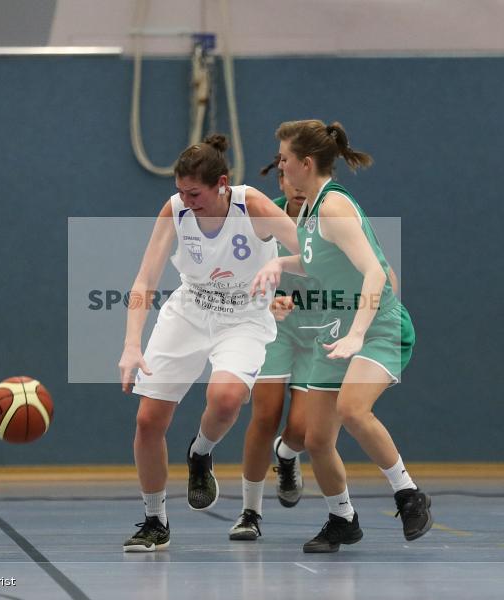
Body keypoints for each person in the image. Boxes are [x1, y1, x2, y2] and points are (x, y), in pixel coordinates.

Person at [252, 120, 432, 553]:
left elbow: (374, 271)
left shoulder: (333, 207)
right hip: (338, 332)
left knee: (353, 408)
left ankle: (409, 494)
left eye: (284, 159)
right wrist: (281, 265)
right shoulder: (311, 211)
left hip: (376, 327)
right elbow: (318, 262)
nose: (280, 165)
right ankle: (342, 518)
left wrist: (356, 335)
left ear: (305, 163)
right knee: (316, 439)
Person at [118, 134, 298, 552]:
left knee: (227, 398)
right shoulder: (176, 209)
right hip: (189, 311)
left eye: (194, 192)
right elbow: (144, 281)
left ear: (221, 183)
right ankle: (154, 521)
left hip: (245, 317)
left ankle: (201, 453)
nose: (186, 199)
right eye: (180, 191)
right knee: (147, 422)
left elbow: (311, 253)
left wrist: (279, 267)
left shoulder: (251, 205)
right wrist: (131, 344)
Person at [229, 158, 314, 541]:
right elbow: (239, 274)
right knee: (265, 416)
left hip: (317, 329)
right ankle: (250, 511)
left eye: (304, 178)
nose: (297, 186)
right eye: (289, 178)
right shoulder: (263, 219)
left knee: (301, 429)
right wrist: (267, 303)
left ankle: (288, 454)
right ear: (280, 179)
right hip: (273, 328)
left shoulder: (334, 216)